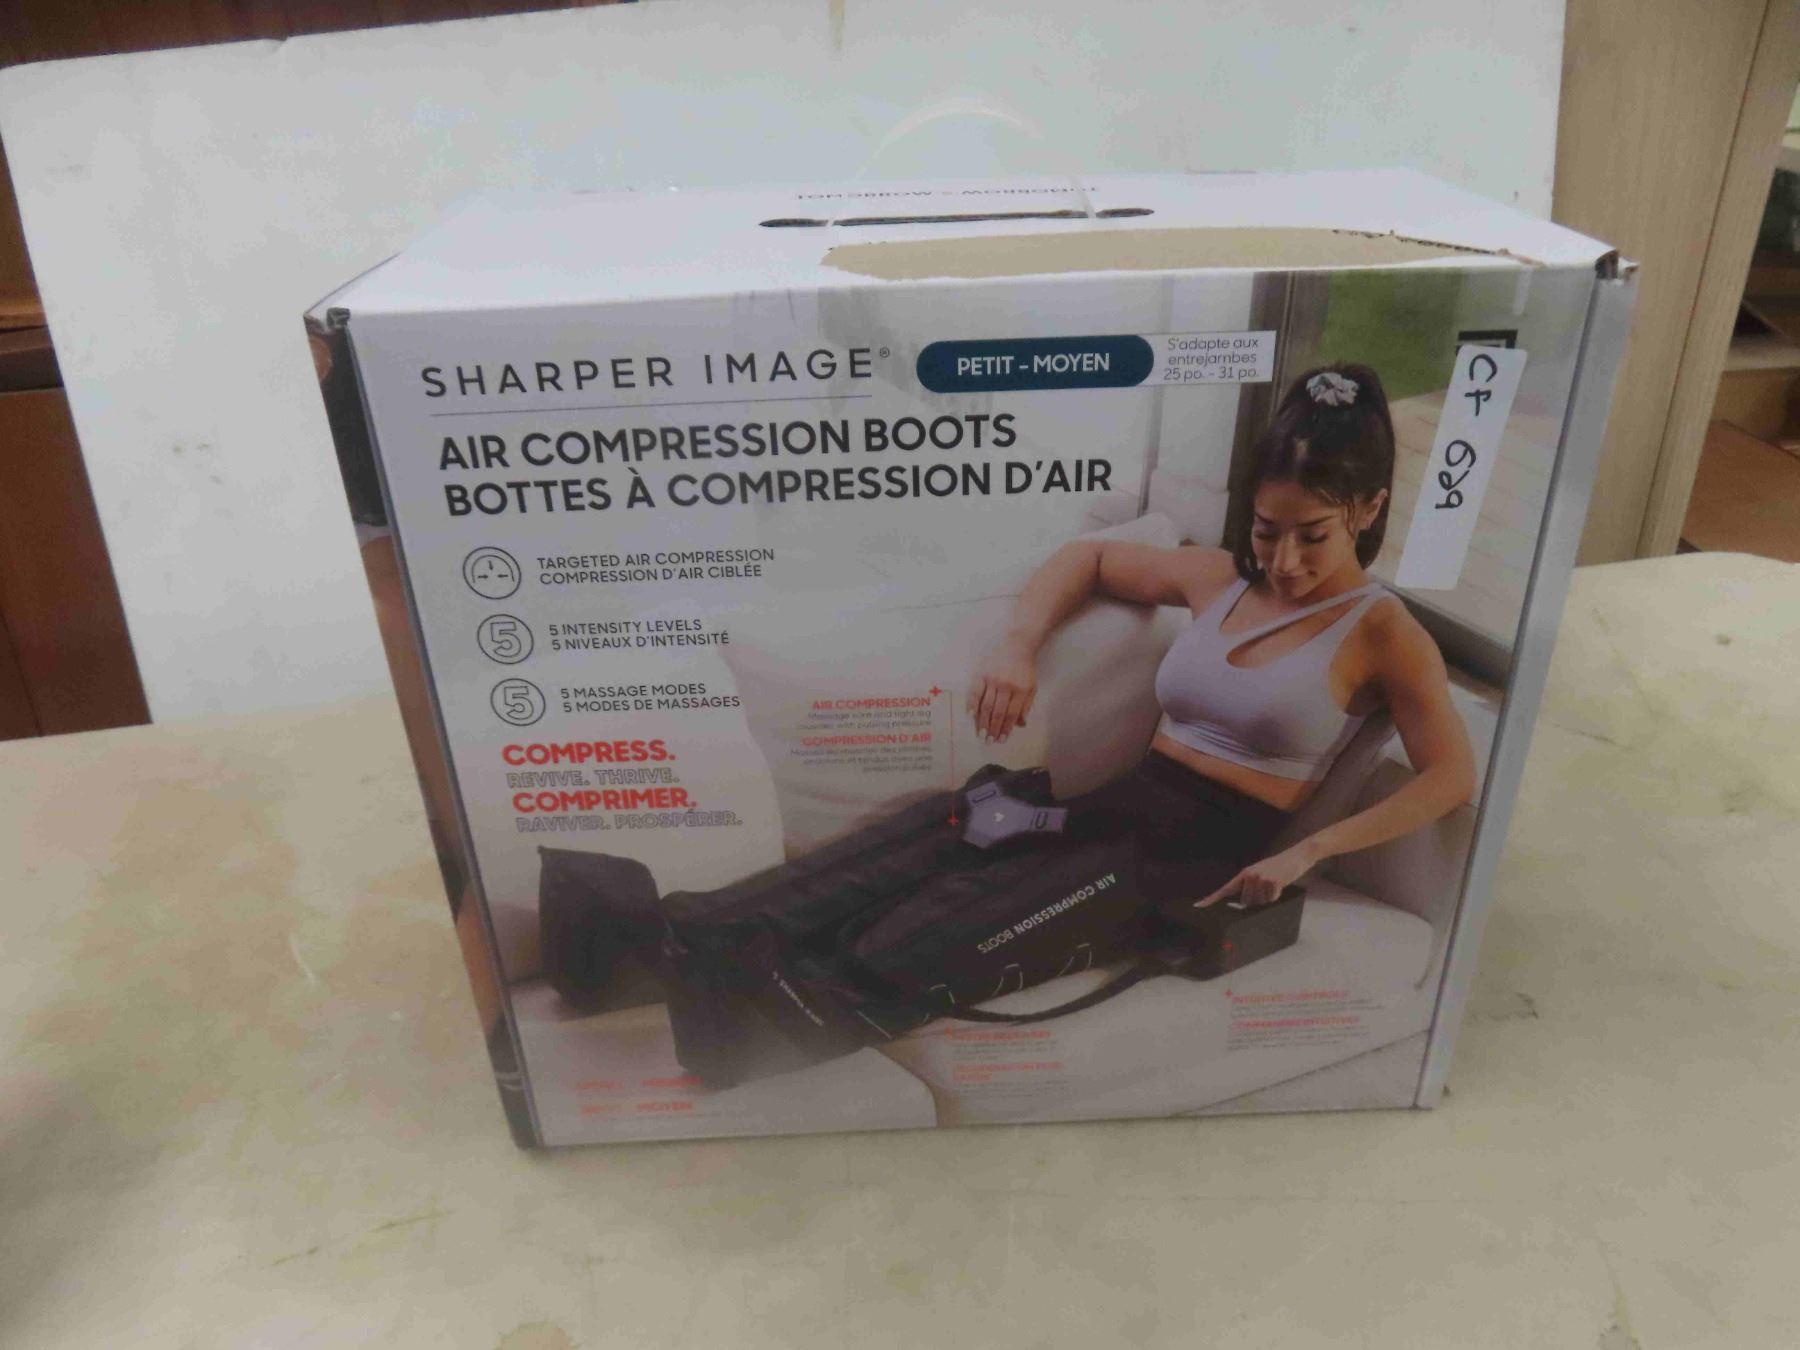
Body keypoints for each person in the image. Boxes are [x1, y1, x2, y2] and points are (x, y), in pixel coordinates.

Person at [967, 363, 1476, 910]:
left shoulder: (1384, 632)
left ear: (1370, 509)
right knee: (957, 837)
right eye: (1265, 530)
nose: (1284, 560)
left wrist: (1310, 849)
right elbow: (1086, 557)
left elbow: (1452, 775)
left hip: (1181, 869)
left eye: (1313, 536)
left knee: (972, 921)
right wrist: (1018, 646)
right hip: (1113, 819)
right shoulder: (1220, 578)